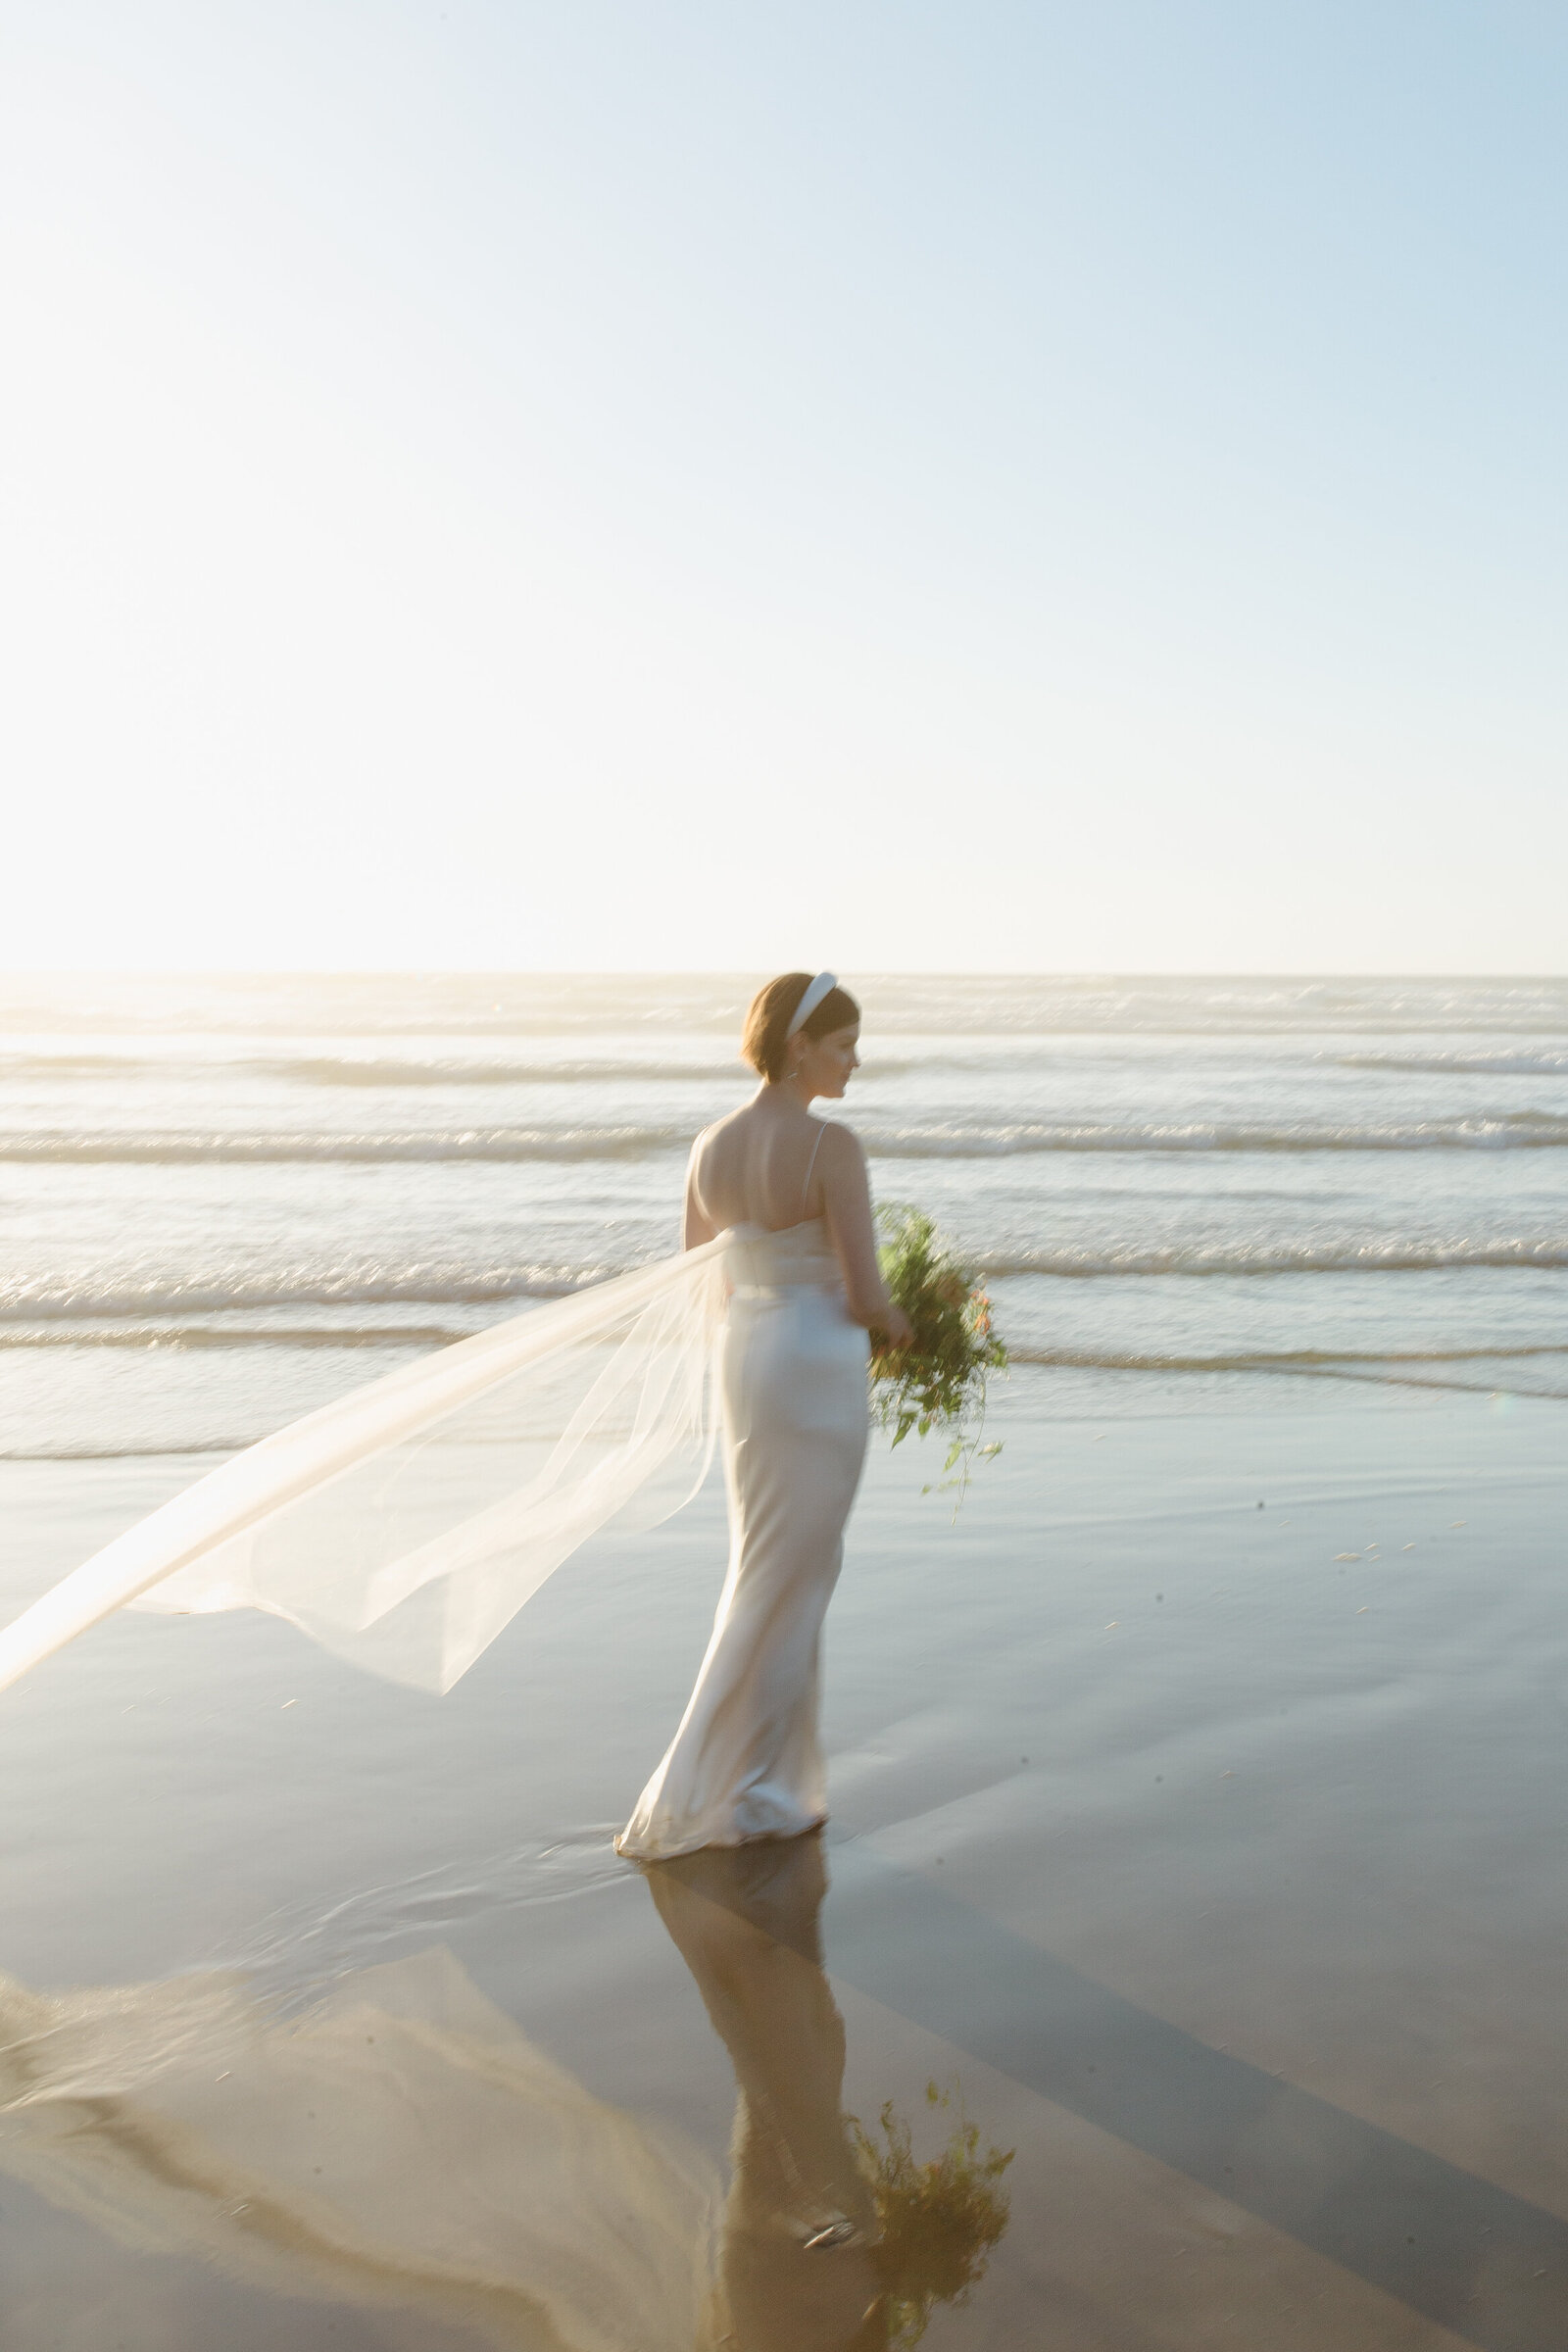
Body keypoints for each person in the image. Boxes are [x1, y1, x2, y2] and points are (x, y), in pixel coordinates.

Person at [616, 972, 913, 1863]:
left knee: (764, 1568)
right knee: (797, 1575)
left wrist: (758, 1333)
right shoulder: (835, 1148)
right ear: (797, 1047)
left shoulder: (709, 1145)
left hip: (746, 1361)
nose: (855, 1062)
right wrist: (911, 1324)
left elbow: (699, 1276)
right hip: (817, 1365)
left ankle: (771, 1784)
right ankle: (731, 1790)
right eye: (842, 1044)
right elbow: (864, 1295)